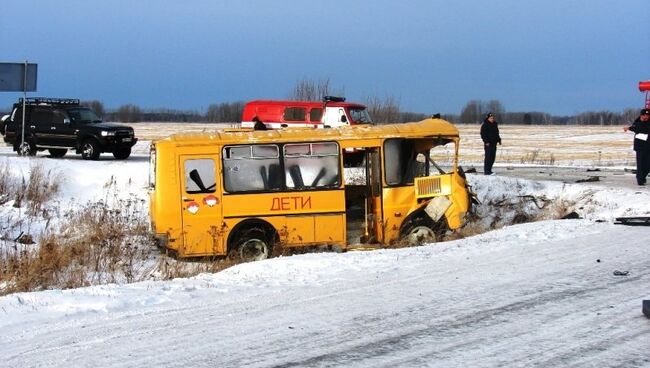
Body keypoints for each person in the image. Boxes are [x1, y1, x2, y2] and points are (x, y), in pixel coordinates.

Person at [623, 108, 650, 186]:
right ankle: (640, 180)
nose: (646, 117)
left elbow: (646, 129)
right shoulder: (637, 122)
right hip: (640, 147)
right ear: (641, 115)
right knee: (641, 164)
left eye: (647, 115)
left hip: (648, 146)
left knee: (648, 165)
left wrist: (630, 128)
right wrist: (630, 128)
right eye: (644, 115)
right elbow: (638, 128)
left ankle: (642, 176)